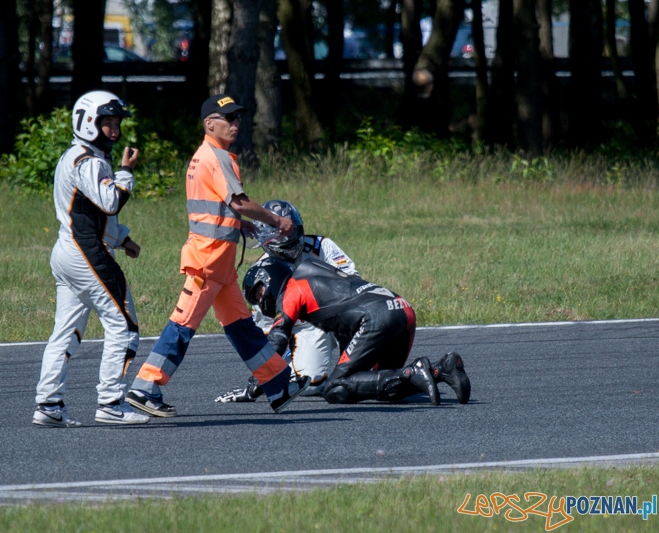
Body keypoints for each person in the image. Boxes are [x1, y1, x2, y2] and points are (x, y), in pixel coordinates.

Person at [125, 94, 310, 417]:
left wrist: (240, 225)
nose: (235, 124)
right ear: (210, 124)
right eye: (229, 118)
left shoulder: (204, 156)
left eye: (237, 118)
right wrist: (275, 220)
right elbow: (238, 201)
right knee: (182, 325)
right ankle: (146, 386)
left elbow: (218, 208)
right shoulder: (217, 157)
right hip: (208, 262)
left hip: (219, 264)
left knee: (242, 326)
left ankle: (278, 384)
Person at [33, 90, 149, 427]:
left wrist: (122, 239)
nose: (114, 130)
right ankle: (110, 402)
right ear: (87, 123)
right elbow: (110, 201)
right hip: (86, 254)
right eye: (107, 122)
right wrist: (126, 172)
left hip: (67, 249)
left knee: (65, 332)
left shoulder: (77, 155)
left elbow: (88, 212)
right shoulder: (89, 160)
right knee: (124, 326)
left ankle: (49, 404)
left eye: (116, 123)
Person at [242, 256, 472, 405]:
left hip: (377, 317)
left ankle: (413, 371)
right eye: (255, 298)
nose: (261, 300)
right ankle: (443, 370)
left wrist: (260, 377)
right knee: (388, 388)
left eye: (259, 292)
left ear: (271, 277)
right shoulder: (315, 276)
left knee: (335, 389)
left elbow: (278, 338)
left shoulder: (292, 290)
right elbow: (345, 328)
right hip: (401, 309)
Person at [215, 199, 357, 402]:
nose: (288, 237)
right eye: (280, 232)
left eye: (290, 229)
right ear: (266, 237)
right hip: (300, 329)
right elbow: (266, 329)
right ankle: (297, 368)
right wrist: (265, 376)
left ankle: (360, 362)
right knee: (310, 383)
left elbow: (353, 282)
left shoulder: (321, 246)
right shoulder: (263, 273)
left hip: (335, 314)